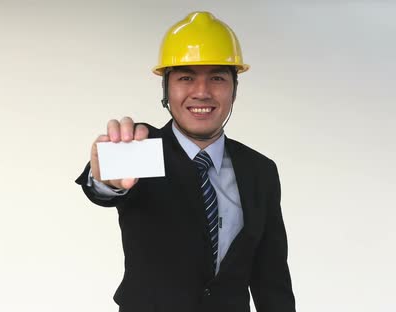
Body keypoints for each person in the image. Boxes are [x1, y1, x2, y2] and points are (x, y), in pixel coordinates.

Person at [75, 11, 296, 312]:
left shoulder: (260, 171)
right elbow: (103, 187)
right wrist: (106, 179)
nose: (202, 92)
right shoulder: (140, 149)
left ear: (234, 89)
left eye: (217, 77)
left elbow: (272, 281)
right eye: (186, 78)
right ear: (166, 89)